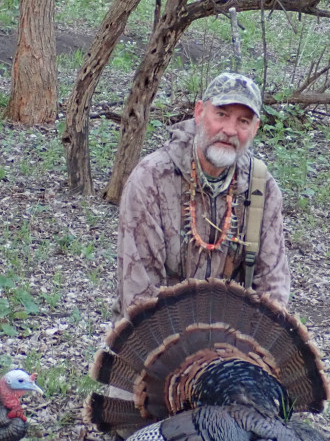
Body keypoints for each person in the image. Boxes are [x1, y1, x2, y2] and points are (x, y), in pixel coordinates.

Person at [115, 72, 290, 315]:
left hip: (233, 338)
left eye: (243, 121)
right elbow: (140, 294)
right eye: (221, 114)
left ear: (255, 129)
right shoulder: (152, 179)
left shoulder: (262, 188)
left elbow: (273, 286)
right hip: (158, 336)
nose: (230, 130)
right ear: (199, 112)